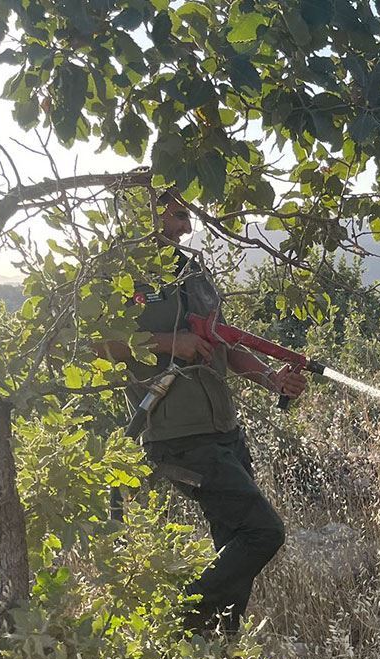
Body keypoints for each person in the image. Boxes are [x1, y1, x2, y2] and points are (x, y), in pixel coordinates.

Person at [100, 191, 308, 636]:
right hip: (175, 436)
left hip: (224, 431)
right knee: (263, 533)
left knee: (233, 546)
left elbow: (224, 345)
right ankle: (174, 628)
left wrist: (272, 378)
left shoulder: (193, 271)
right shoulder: (118, 274)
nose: (185, 227)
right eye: (176, 215)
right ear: (145, 210)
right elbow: (94, 343)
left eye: (187, 216)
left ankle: (219, 646)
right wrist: (167, 343)